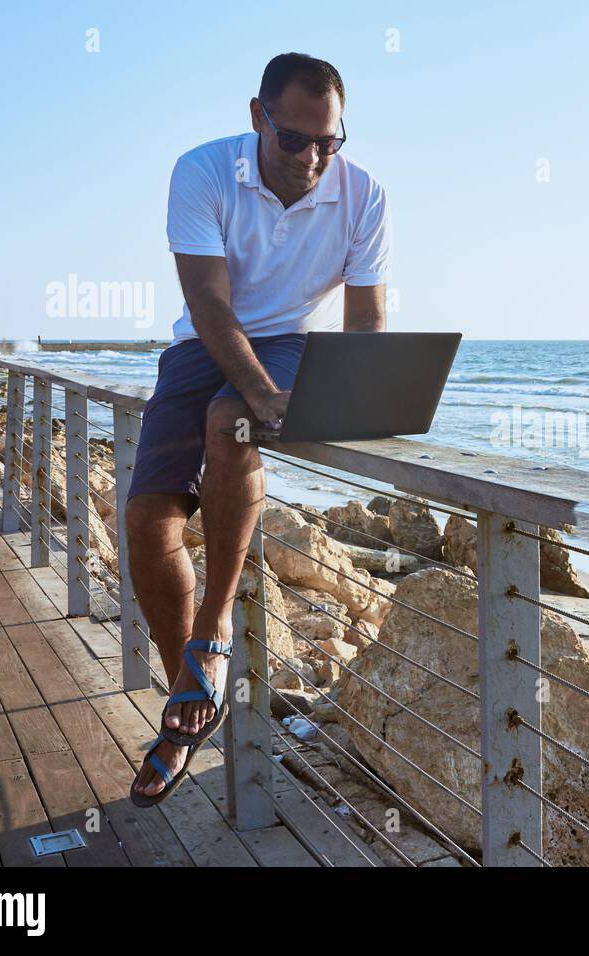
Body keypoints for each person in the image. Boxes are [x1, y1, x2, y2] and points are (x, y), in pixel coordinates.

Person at [127, 52, 390, 805]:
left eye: (328, 142)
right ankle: (193, 691)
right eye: (295, 140)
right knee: (146, 517)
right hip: (202, 342)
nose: (312, 158)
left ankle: (208, 646)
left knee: (230, 422)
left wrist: (359, 398)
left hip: (296, 345)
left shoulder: (365, 194)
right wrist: (260, 392)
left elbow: (366, 322)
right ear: (258, 118)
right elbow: (209, 304)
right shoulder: (203, 171)